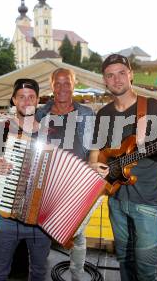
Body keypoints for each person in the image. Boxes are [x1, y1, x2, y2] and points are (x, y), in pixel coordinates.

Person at [89, 54, 157, 281]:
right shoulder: (104, 114)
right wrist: (94, 164)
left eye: (122, 72)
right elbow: (96, 150)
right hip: (115, 199)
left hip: (148, 203)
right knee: (124, 261)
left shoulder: (154, 108)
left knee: (146, 269)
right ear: (105, 80)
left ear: (131, 74)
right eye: (110, 75)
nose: (117, 79)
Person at [0, 78, 51, 281]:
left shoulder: (50, 132)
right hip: (7, 215)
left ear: (38, 100)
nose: (27, 100)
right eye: (21, 97)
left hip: (40, 218)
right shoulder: (0, 128)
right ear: (13, 100)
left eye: (31, 96)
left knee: (39, 271)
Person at [35, 68, 95, 281]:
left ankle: (76, 275)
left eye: (66, 83)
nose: (62, 88)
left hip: (78, 182)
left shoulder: (86, 113)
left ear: (74, 84)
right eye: (57, 83)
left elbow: (94, 147)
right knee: (42, 231)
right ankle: (39, 272)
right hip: (48, 182)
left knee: (77, 233)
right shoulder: (40, 114)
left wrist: (92, 169)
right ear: (51, 85)